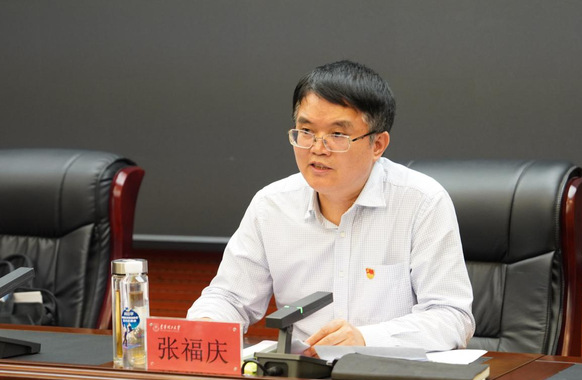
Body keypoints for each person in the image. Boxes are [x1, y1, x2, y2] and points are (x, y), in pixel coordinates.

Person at [188, 60, 475, 355]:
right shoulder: (271, 205)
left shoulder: (422, 202)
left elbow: (452, 317)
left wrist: (366, 339)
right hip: (303, 375)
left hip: (389, 374)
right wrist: (206, 326)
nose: (317, 148)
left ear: (378, 144)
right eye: (306, 131)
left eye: (337, 135)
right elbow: (230, 297)